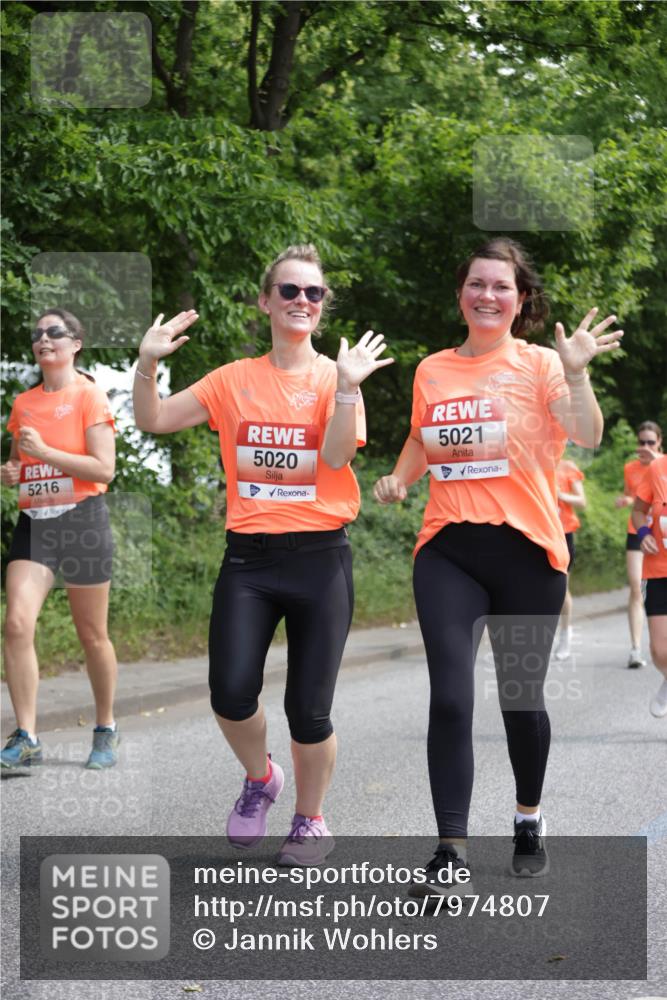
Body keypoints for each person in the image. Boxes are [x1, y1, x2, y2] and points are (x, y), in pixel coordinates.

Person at [373, 238, 622, 895]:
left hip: (528, 553)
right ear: (461, 293)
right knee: (451, 696)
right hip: (448, 548)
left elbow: (588, 433)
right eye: (476, 284)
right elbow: (422, 439)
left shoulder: (542, 365)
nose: (487, 295)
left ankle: (527, 815)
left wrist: (575, 372)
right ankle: (449, 848)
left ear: (520, 299)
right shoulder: (432, 369)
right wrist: (399, 479)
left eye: (501, 286)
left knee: (520, 701)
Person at [133, 244, 392, 866]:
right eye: (290, 292)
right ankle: (260, 779)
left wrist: (349, 387)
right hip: (249, 560)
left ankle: (310, 819)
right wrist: (145, 365)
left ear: (322, 308)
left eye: (314, 294)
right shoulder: (233, 380)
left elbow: (334, 458)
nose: (302, 301)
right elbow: (155, 420)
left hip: (320, 559)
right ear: (265, 301)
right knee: (230, 693)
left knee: (309, 710)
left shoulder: (337, 375)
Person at [1, 309, 119, 771]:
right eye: (38, 333)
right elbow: (17, 467)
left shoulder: (89, 395)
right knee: (15, 623)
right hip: (36, 523)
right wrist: (10, 473)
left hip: (83, 520)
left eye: (55, 332)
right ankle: (27, 733)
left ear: (75, 345)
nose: (44, 338)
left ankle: (106, 726)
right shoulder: (23, 403)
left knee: (92, 635)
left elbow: (103, 469)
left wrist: (47, 452)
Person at [615, 422, 663, 668]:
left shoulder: (663, 465)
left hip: (662, 537)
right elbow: (634, 499)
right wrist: (625, 500)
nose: (644, 447)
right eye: (641, 442)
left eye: (650, 442)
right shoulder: (630, 468)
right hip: (639, 533)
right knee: (636, 587)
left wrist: (657, 461)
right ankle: (635, 648)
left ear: (659, 443)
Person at [632, 452, 667, 717]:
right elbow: (638, 511)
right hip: (658, 569)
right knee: (659, 650)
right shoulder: (657, 468)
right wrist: (643, 534)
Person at [553, 456, 586, 659]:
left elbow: (582, 501)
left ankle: (565, 636)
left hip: (563, 533)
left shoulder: (568, 467)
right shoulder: (531, 464)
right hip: (537, 533)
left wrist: (560, 495)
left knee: (561, 589)